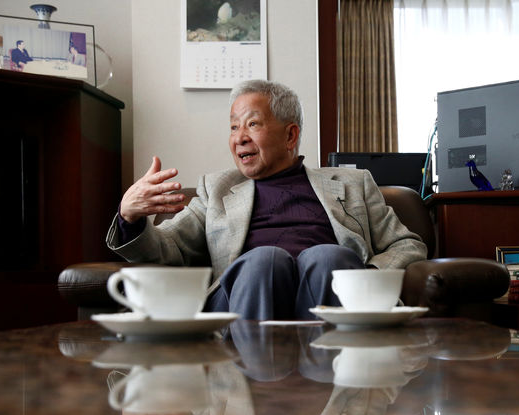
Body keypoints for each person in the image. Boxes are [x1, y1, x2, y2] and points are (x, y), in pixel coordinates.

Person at [107, 79, 427, 320]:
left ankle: (337, 390)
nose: (239, 137)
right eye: (234, 126)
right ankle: (251, 388)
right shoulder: (216, 189)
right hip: (246, 298)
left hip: (331, 289)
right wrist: (129, 217)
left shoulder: (353, 183)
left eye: (252, 124)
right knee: (265, 261)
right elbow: (169, 248)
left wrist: (367, 274)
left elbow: (407, 245)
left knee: (329, 257)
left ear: (290, 135)